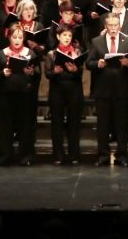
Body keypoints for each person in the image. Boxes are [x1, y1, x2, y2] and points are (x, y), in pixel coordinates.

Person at [86, 13, 128, 166]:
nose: (113, 28)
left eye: (115, 25)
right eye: (110, 25)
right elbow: (88, 63)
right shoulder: (97, 41)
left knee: (121, 124)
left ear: (119, 26)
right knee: (103, 124)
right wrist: (98, 64)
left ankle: (122, 155)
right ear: (105, 26)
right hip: (103, 89)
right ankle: (103, 155)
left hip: (121, 89)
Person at [0, 23, 42, 166]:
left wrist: (31, 72)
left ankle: (26, 156)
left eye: (20, 37)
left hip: (25, 95)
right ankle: (4, 156)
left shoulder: (30, 53)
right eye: (14, 37)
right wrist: (3, 73)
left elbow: (38, 73)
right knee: (5, 126)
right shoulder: (2, 54)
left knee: (26, 126)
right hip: (7, 94)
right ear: (9, 37)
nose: (17, 40)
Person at [45, 23, 84, 165]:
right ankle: (58, 155)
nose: (67, 38)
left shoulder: (77, 52)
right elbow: (47, 74)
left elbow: (80, 72)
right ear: (58, 36)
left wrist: (75, 70)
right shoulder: (52, 54)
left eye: (69, 35)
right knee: (57, 123)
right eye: (64, 35)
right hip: (57, 91)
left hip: (74, 90)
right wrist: (54, 72)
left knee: (74, 123)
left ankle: (74, 155)